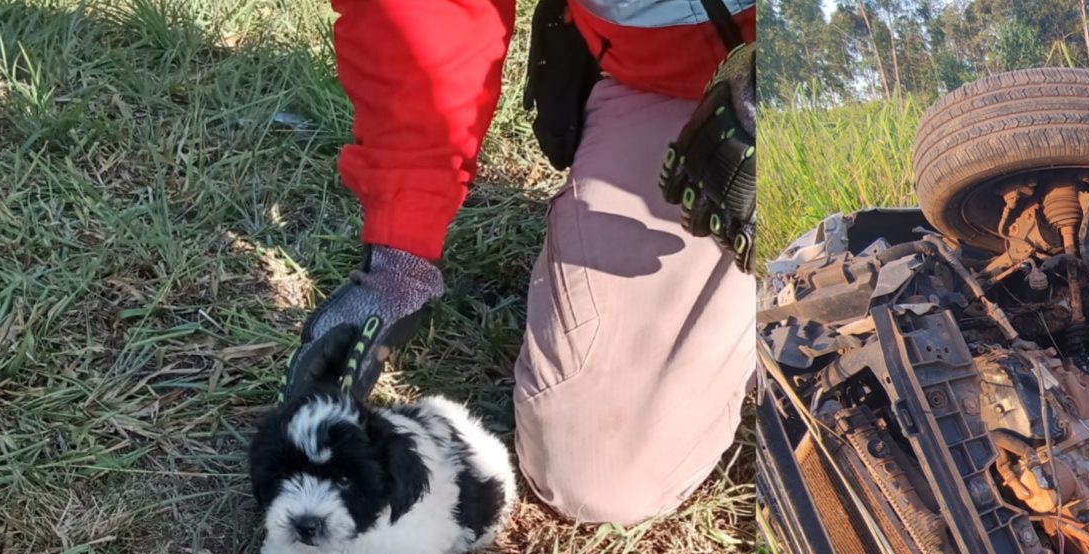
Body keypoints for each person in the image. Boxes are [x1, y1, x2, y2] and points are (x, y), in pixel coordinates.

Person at [280, 0, 757, 526]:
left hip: (837, 74)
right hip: (679, 96)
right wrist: (400, 253)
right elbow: (423, 18)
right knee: (596, 467)